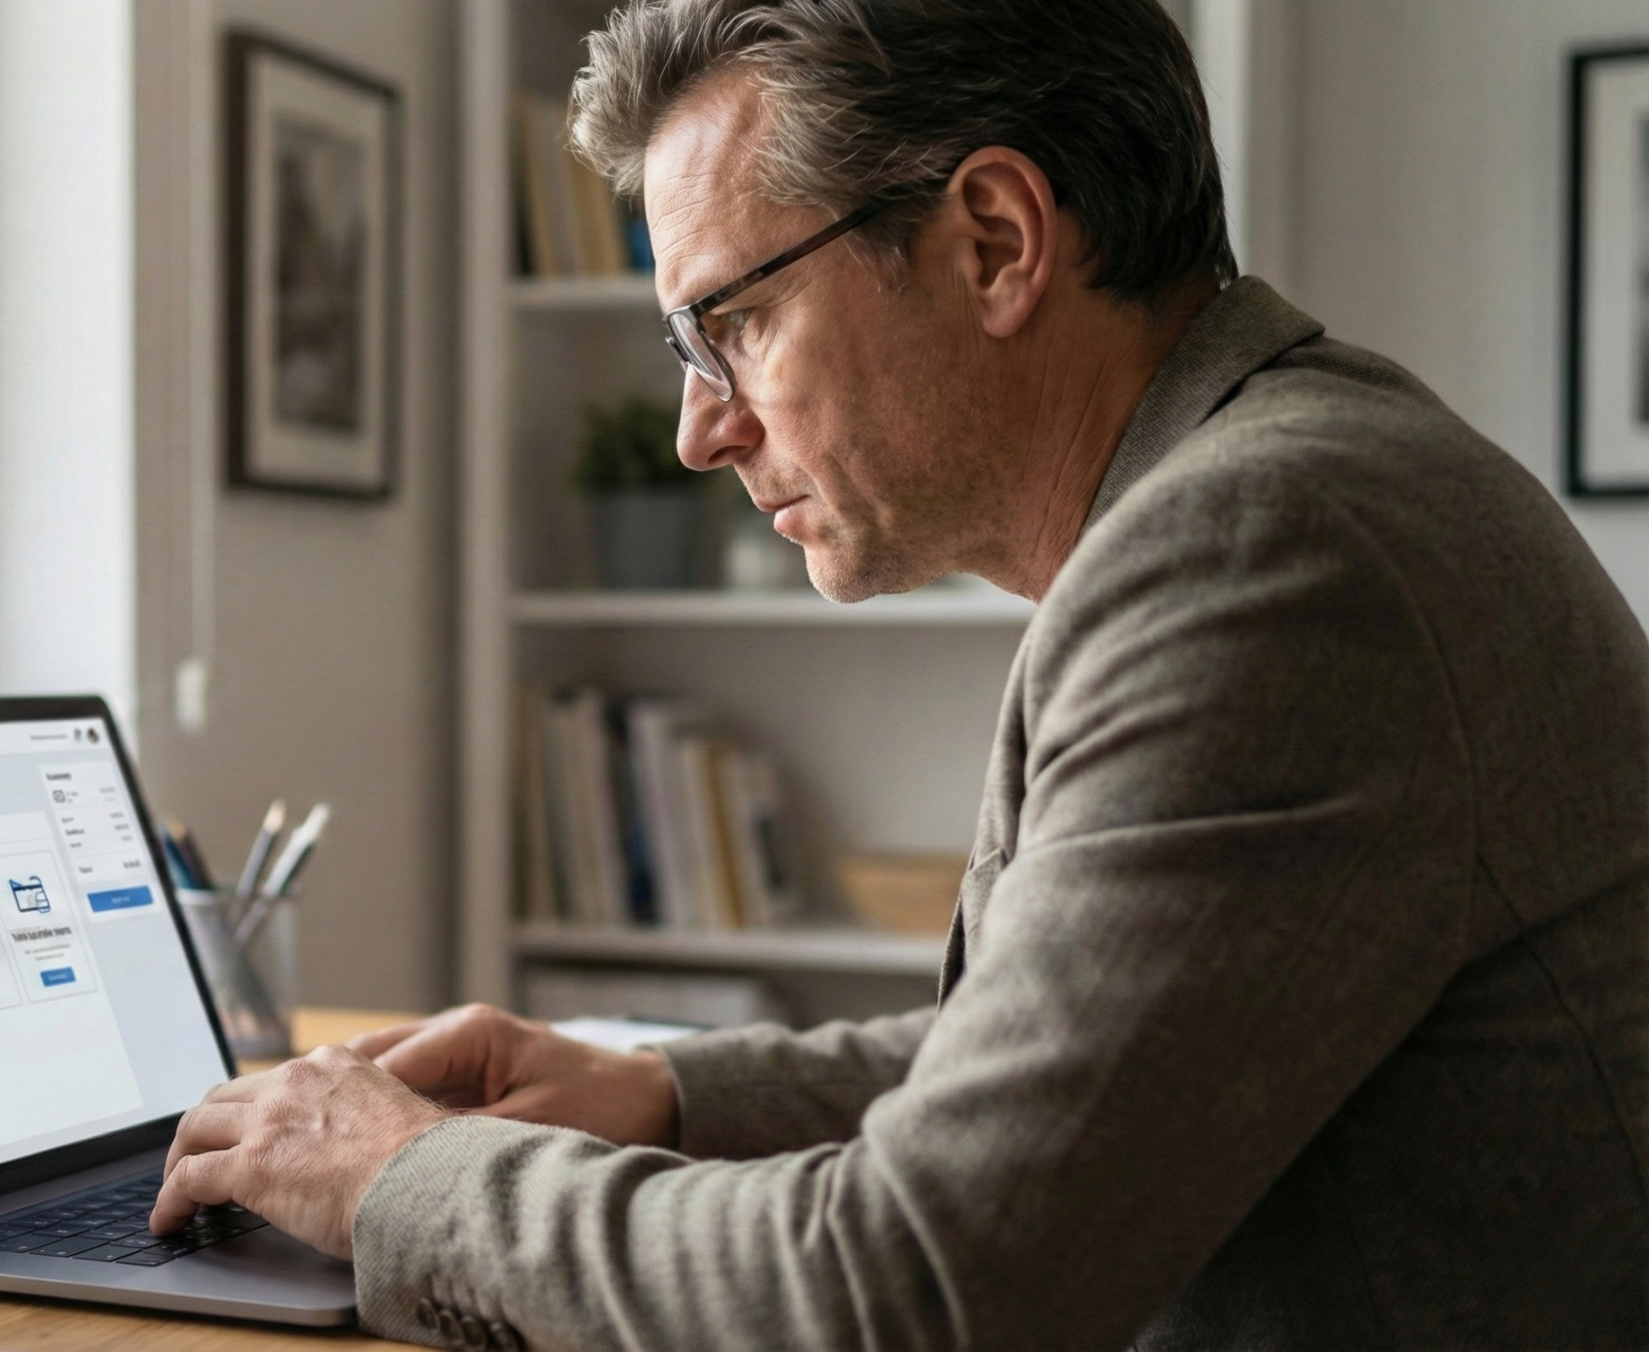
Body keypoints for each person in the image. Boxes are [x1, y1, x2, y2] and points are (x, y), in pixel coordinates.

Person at [149, 0, 1649, 1346]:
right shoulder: (1276, 485)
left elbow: (912, 1290)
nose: (698, 429)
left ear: (994, 238)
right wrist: (665, 1099)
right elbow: (1067, 1050)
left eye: (728, 323)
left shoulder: (1269, 552)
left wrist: (405, 1178)